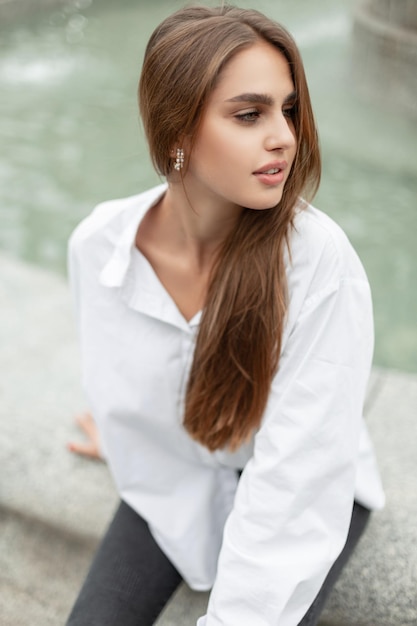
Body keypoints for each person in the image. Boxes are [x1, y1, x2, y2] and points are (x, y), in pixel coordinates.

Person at [66, 4, 385, 625]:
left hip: (308, 486)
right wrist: (130, 435)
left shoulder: (318, 262)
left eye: (288, 109)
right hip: (175, 472)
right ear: (177, 132)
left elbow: (293, 491)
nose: (284, 137)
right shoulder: (99, 247)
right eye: (249, 114)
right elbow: (119, 375)